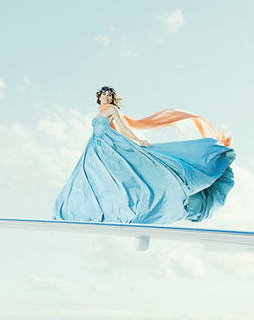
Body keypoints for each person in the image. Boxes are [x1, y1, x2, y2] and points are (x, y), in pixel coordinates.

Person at [52, 86, 235, 224]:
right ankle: (79, 210)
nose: (107, 97)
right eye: (104, 95)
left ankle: (127, 207)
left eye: (109, 95)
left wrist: (138, 141)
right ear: (99, 97)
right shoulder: (99, 112)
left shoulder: (112, 110)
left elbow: (123, 127)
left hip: (108, 145)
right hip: (95, 147)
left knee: (125, 174)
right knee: (90, 178)